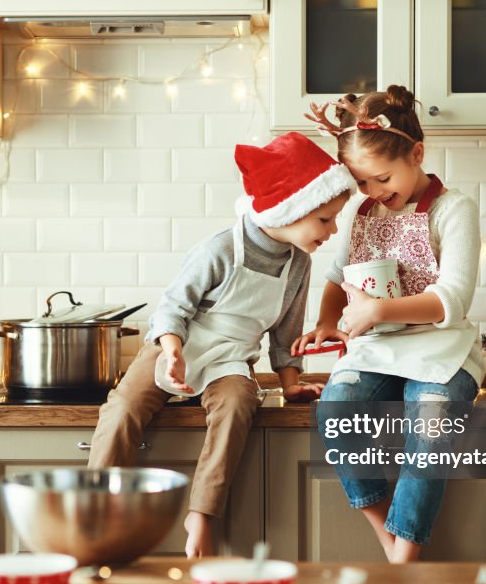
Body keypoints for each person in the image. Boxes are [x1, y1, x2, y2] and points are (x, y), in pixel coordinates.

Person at [88, 132, 357, 558]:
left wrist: (290, 384)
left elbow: (286, 333)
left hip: (229, 361)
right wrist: (173, 350)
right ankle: (98, 511)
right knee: (122, 409)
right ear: (292, 209)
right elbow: (173, 306)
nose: (333, 229)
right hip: (174, 347)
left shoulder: (299, 265)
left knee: (237, 406)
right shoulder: (218, 250)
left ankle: (201, 515)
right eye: (325, 219)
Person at [294, 85, 483, 563]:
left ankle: (405, 557)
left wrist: (377, 311)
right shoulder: (360, 211)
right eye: (362, 183)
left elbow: (451, 300)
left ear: (417, 153)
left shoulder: (454, 210)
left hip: (441, 351)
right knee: (335, 412)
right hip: (377, 352)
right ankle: (390, 537)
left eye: (381, 178)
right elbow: (338, 278)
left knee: (433, 423)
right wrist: (325, 321)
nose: (374, 193)